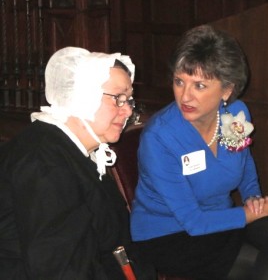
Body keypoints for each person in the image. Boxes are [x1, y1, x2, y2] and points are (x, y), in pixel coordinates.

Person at [130, 25, 268, 280]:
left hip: (221, 218)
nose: (185, 96)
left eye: (199, 85)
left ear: (227, 90)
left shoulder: (236, 114)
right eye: (179, 81)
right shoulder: (160, 137)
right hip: (170, 234)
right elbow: (194, 222)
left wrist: (253, 197)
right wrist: (261, 211)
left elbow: (245, 163)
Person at [0, 47, 155, 279]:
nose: (127, 111)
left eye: (129, 100)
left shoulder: (79, 149)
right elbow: (60, 269)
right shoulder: (44, 162)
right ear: (83, 97)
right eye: (118, 99)